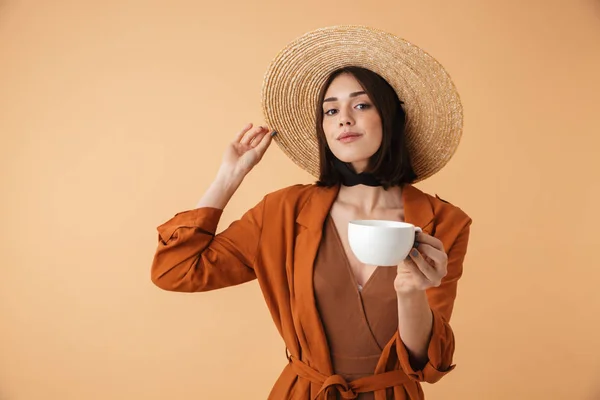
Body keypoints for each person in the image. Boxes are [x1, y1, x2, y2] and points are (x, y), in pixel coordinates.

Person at [150, 25, 472, 400]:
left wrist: (412, 291)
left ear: (392, 117)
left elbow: (426, 364)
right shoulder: (283, 212)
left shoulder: (444, 222)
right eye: (331, 110)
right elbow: (176, 271)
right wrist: (229, 176)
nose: (343, 119)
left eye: (361, 104)